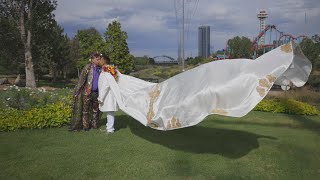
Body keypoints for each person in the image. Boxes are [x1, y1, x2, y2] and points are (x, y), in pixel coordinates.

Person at [69, 53, 102, 131]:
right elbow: (81, 79)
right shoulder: (88, 67)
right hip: (87, 92)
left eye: (100, 59)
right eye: (97, 59)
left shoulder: (101, 68)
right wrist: (77, 91)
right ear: (93, 59)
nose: (99, 60)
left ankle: (94, 125)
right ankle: (85, 126)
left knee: (95, 110)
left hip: (97, 93)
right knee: (85, 110)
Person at [97, 54, 119, 134]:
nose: (99, 60)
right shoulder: (106, 70)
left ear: (104, 61)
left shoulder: (107, 71)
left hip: (108, 96)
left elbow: (106, 85)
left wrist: (101, 97)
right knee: (108, 112)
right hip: (107, 95)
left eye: (101, 59)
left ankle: (110, 129)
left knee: (109, 112)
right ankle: (108, 127)